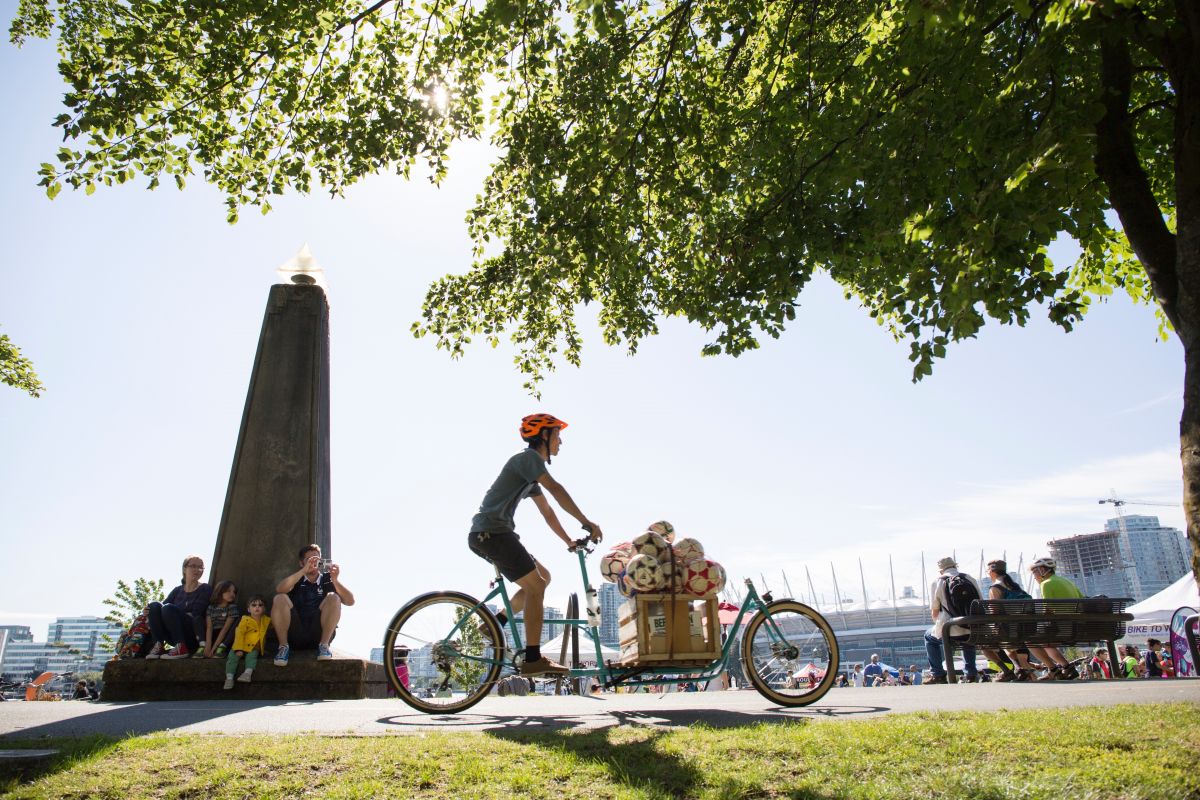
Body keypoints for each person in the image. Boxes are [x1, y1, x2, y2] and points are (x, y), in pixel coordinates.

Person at [467, 414, 603, 677]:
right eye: (557, 435)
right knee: (536, 585)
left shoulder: (529, 473)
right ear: (544, 435)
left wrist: (568, 540)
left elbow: (548, 512)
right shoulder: (528, 459)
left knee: (543, 578)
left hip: (494, 533)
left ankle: (495, 624)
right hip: (492, 533)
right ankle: (532, 658)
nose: (560, 442)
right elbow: (556, 489)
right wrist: (586, 522)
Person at [271, 544, 354, 666]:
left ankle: (324, 646)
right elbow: (280, 589)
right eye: (310, 559)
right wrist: (303, 571)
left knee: (334, 597)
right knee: (280, 598)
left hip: (318, 632)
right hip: (296, 633)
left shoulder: (327, 579)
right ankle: (283, 647)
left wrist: (335, 580)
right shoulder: (297, 578)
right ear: (301, 563)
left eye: (316, 559)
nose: (314, 562)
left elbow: (350, 601)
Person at [924, 556, 982, 684]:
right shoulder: (969, 578)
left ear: (941, 570)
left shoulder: (937, 582)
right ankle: (971, 674)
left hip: (950, 630)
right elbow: (980, 601)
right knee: (967, 635)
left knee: (928, 637)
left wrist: (938, 626)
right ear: (955, 566)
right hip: (973, 628)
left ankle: (938, 674)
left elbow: (935, 611)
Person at [980, 559, 1037, 682]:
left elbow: (994, 612)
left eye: (988, 571)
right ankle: (1022, 670)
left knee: (984, 644)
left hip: (1009, 630)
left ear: (992, 571)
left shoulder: (995, 587)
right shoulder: (1015, 586)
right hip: (1026, 628)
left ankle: (1008, 671)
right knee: (1009, 641)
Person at [1026, 557, 1083, 680]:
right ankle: (1065, 668)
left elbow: (1048, 610)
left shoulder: (1046, 584)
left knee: (1030, 641)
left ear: (1042, 570)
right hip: (1077, 626)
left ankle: (1057, 669)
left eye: (1034, 572)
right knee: (1045, 639)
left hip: (1063, 627)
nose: (1034, 576)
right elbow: (1083, 599)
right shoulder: (1067, 581)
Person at [146, 555, 212, 659]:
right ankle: (158, 645)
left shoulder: (205, 588)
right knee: (154, 606)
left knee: (168, 608)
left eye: (200, 567)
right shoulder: (177, 590)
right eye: (193, 566)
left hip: (192, 633)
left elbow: (197, 612)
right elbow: (160, 611)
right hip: (173, 633)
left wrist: (173, 613)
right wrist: (149, 611)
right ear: (184, 569)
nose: (197, 570)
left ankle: (181, 648)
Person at [225, 595, 271, 689]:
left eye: (260, 605)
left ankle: (247, 674)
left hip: (254, 647)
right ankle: (229, 678)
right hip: (241, 645)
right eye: (254, 605)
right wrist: (238, 648)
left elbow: (274, 625)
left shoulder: (266, 620)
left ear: (264, 609)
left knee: (252, 657)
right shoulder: (245, 620)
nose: (257, 607)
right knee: (232, 658)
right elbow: (239, 633)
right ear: (249, 609)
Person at [203, 580, 240, 659]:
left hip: (225, 637)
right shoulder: (211, 607)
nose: (232, 594)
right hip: (213, 635)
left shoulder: (232, 607)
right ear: (220, 592)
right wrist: (208, 646)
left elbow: (226, 628)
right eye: (228, 591)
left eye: (234, 592)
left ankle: (221, 649)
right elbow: (209, 627)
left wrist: (214, 648)